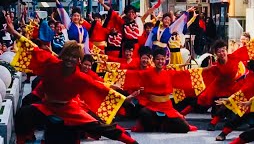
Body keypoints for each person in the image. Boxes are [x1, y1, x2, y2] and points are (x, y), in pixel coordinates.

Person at [5, 15, 138, 144]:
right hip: (47, 106)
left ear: (78, 61)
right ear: (62, 56)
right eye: (68, 55)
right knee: (23, 113)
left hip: (69, 108)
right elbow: (32, 48)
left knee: (99, 126)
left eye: (74, 57)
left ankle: (130, 141)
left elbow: (99, 87)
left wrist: (124, 99)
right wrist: (13, 31)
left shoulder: (80, 77)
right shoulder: (52, 62)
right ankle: (22, 140)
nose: (70, 59)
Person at [121, 48, 200, 133]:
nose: (160, 61)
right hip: (152, 106)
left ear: (165, 60)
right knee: (144, 113)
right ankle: (158, 124)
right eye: (158, 59)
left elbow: (185, 75)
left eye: (162, 59)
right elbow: (132, 76)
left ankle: (162, 125)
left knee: (184, 128)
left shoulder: (169, 73)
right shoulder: (147, 73)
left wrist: (206, 70)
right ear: (154, 60)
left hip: (166, 107)